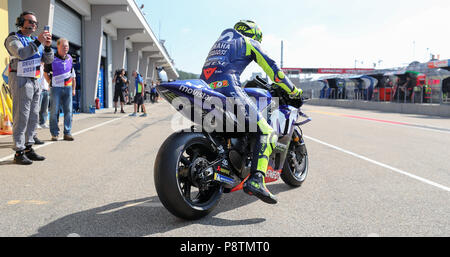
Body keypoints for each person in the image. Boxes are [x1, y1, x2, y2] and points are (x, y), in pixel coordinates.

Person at [199, 20, 303, 204]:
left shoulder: (222, 42)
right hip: (227, 86)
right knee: (266, 130)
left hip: (206, 87)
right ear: (254, 34)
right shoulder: (248, 42)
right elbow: (275, 72)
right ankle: (257, 179)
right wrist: (294, 91)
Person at [4, 11, 54, 165]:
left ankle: (28, 147)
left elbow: (48, 60)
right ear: (21, 22)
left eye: (35, 23)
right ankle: (18, 151)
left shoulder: (34, 40)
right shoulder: (13, 39)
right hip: (20, 79)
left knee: (33, 115)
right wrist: (38, 42)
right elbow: (22, 53)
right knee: (22, 115)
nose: (34, 25)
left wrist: (47, 47)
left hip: (36, 80)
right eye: (30, 22)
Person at [44, 38, 76, 141]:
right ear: (58, 47)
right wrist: (50, 83)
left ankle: (67, 132)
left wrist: (73, 88)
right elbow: (45, 73)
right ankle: (54, 133)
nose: (66, 48)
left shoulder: (70, 58)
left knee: (68, 111)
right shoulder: (51, 58)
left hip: (68, 87)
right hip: (56, 88)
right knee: (54, 111)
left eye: (67, 46)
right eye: (63, 46)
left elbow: (72, 74)